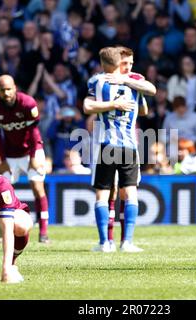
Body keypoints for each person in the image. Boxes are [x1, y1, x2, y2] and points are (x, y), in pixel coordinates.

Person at [83, 47, 145, 253]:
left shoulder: (97, 81)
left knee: (102, 194)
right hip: (129, 145)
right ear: (120, 62)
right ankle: (127, 242)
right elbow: (146, 106)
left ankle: (104, 243)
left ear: (102, 63)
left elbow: (87, 107)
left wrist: (111, 104)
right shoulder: (136, 82)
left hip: (105, 144)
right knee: (130, 193)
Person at [0, 75, 50, 243]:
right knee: (1, 191)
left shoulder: (27, 102)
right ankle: (0, 231)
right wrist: (3, 159)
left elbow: (34, 132)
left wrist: (34, 155)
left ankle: (43, 232)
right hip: (9, 154)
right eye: (2, 90)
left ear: (15, 87)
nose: (6, 93)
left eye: (8, 89)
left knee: (37, 186)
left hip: (31, 150)